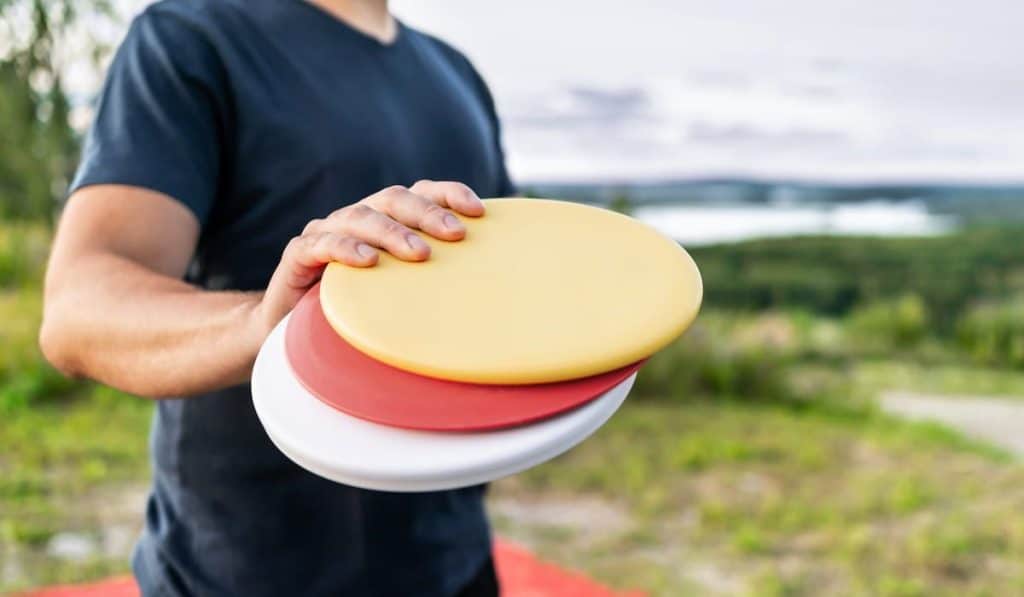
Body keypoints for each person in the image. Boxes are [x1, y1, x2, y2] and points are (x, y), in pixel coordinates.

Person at [39, 0, 514, 595]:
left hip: (453, 563)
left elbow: (492, 297)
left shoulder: (456, 74)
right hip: (238, 573)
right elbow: (79, 308)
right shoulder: (190, 37)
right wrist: (270, 322)